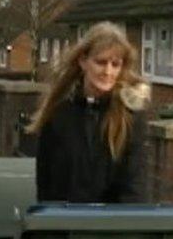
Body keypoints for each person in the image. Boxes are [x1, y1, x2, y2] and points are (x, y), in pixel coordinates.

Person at [29, 21, 150, 203]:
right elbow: (46, 184)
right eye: (101, 62)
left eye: (115, 64)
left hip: (113, 225)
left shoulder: (131, 118)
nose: (108, 72)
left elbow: (134, 186)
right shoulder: (58, 114)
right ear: (83, 61)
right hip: (65, 223)